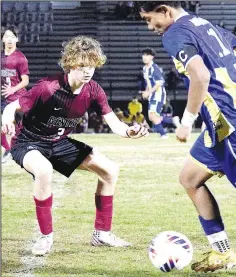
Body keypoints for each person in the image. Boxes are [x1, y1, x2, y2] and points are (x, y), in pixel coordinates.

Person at [138, 2, 236, 273]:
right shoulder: (207, 26)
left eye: (150, 19)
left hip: (232, 129)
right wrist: (231, 99)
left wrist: (187, 120)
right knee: (190, 179)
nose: (150, 27)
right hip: (221, 127)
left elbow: (200, 76)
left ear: (164, 10)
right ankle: (223, 252)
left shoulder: (175, 33)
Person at [2, 36, 148, 256]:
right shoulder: (47, 87)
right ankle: (45, 237)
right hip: (28, 142)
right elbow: (12, 106)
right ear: (70, 64)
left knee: (110, 171)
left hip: (59, 144)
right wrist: (6, 118)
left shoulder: (94, 90)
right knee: (43, 170)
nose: (87, 71)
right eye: (82, 66)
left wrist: (129, 131)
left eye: (91, 65)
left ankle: (102, 234)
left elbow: (113, 122)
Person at [1, 25, 30, 163]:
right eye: (7, 36)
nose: (10, 39)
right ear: (2, 39)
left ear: (17, 39)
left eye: (12, 37)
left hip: (18, 98)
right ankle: (8, 149)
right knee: (4, 125)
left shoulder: (20, 58)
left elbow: (25, 80)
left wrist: (13, 89)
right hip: (3, 98)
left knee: (20, 128)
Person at [141, 47, 179, 139]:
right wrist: (146, 91)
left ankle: (164, 134)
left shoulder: (155, 68)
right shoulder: (145, 68)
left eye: (147, 55)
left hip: (158, 95)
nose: (144, 57)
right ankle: (171, 120)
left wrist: (148, 92)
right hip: (152, 95)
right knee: (152, 117)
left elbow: (159, 83)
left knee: (153, 116)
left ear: (152, 57)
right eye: (144, 55)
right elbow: (148, 82)